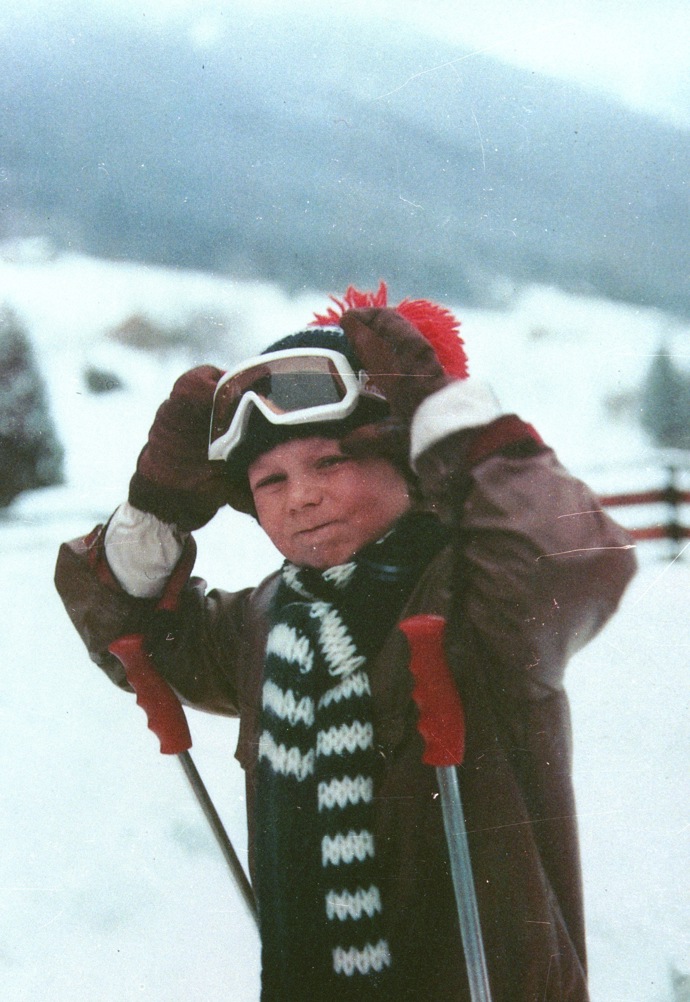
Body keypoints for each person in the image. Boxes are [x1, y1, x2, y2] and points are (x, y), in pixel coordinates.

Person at [55, 283, 637, 1001]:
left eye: (330, 463)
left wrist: (448, 422)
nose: (301, 496)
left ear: (406, 463)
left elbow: (572, 556)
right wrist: (155, 510)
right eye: (269, 480)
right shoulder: (268, 618)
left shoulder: (475, 592)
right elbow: (133, 637)